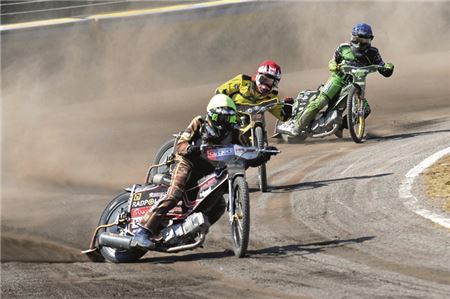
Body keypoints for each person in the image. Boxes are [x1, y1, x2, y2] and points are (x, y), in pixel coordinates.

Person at [132, 94, 275, 249]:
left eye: (230, 118)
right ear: (211, 115)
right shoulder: (199, 123)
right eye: (221, 118)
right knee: (174, 195)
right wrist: (192, 148)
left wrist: (263, 155)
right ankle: (143, 231)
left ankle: (191, 232)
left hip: (210, 171)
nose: (225, 123)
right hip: (189, 163)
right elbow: (180, 145)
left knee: (219, 205)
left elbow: (246, 154)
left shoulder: (236, 132)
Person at [285, 23, 394, 137]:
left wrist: (388, 67)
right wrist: (332, 65)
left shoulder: (373, 53)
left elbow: (382, 67)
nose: (358, 43)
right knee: (321, 101)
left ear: (369, 40)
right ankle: (296, 127)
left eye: (363, 40)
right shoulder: (343, 48)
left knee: (365, 110)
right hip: (337, 79)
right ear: (352, 37)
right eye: (356, 39)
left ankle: (341, 126)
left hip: (356, 84)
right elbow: (333, 61)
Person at [215, 60, 294, 125]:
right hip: (229, 122)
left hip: (254, 125)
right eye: (264, 79)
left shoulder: (272, 97)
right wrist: (224, 108)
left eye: (272, 82)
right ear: (258, 75)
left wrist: (288, 106)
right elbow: (220, 92)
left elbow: (283, 117)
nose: (266, 85)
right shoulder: (242, 81)